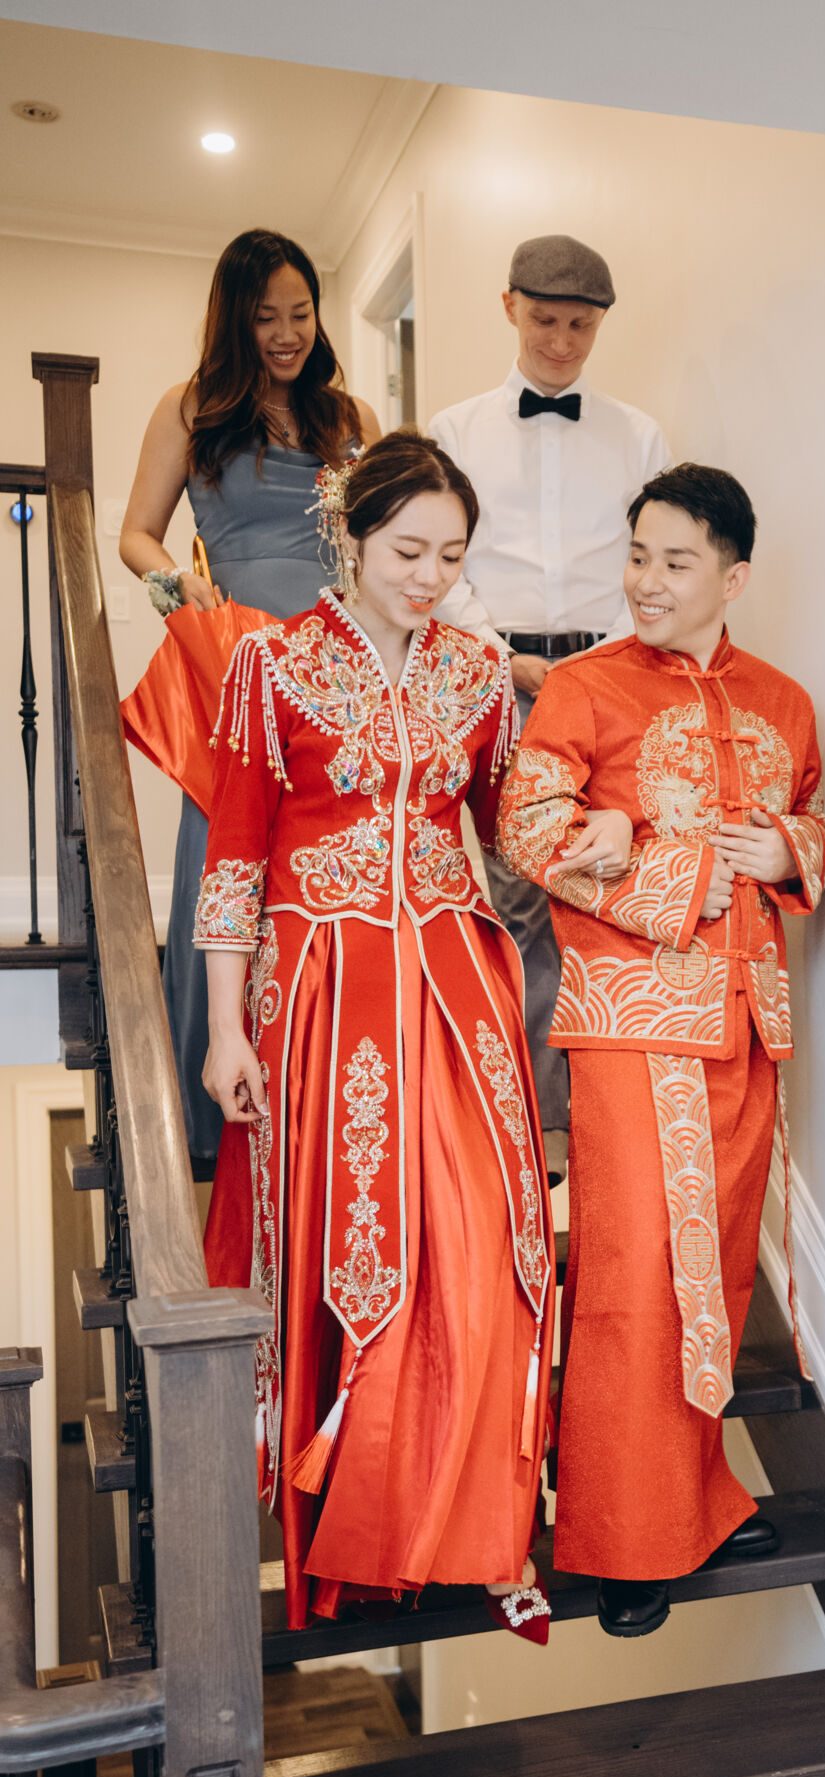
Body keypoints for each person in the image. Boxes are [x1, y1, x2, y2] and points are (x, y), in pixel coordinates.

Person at [198, 429, 555, 1637]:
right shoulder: (270, 667)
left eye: (451, 555)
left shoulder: (478, 673)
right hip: (323, 989)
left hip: (458, 983)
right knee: (361, 1252)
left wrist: (608, 832)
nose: (429, 576)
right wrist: (225, 1030)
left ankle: (483, 1527)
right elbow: (235, 858)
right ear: (349, 537)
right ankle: (365, 1532)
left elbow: (516, 832)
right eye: (408, 550)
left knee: (484, 1238)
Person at [496, 464, 825, 1636]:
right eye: (636, 555)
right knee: (635, 1275)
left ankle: (695, 1495)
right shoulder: (581, 688)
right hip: (631, 1021)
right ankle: (622, 1533)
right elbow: (526, 829)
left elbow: (810, 819)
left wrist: (787, 852)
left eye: (674, 561)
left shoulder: (784, 701)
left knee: (715, 1276)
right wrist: (678, 871)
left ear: (731, 577)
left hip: (745, 1021)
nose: (645, 580)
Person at [119, 228, 380, 1174]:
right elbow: (137, 535)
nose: (286, 333)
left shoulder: (351, 415)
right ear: (235, 321)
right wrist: (180, 591)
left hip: (344, 661)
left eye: (300, 313)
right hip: (243, 662)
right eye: (266, 317)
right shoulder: (189, 408)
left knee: (340, 855)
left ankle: (332, 1074)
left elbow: (385, 534)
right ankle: (220, 1106)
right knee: (229, 855)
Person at [428, 235, 671, 1182]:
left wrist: (601, 661)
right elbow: (440, 559)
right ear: (508, 308)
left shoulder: (639, 436)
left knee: (607, 888)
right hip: (496, 678)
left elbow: (652, 560)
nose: (562, 342)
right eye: (544, 320)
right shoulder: (453, 430)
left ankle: (611, 1112)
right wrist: (503, 657)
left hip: (611, 678)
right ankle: (536, 1118)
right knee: (518, 894)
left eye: (580, 325)